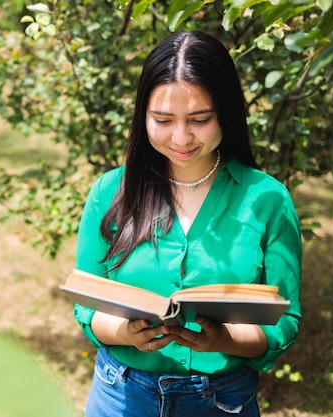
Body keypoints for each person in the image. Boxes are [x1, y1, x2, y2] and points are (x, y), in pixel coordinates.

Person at [73, 30, 302, 417]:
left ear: (226, 112)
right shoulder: (110, 190)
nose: (181, 137)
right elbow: (87, 306)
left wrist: (225, 338)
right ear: (142, 115)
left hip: (222, 400)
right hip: (120, 396)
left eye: (199, 119)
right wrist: (126, 332)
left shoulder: (267, 199)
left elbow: (285, 321)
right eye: (162, 119)